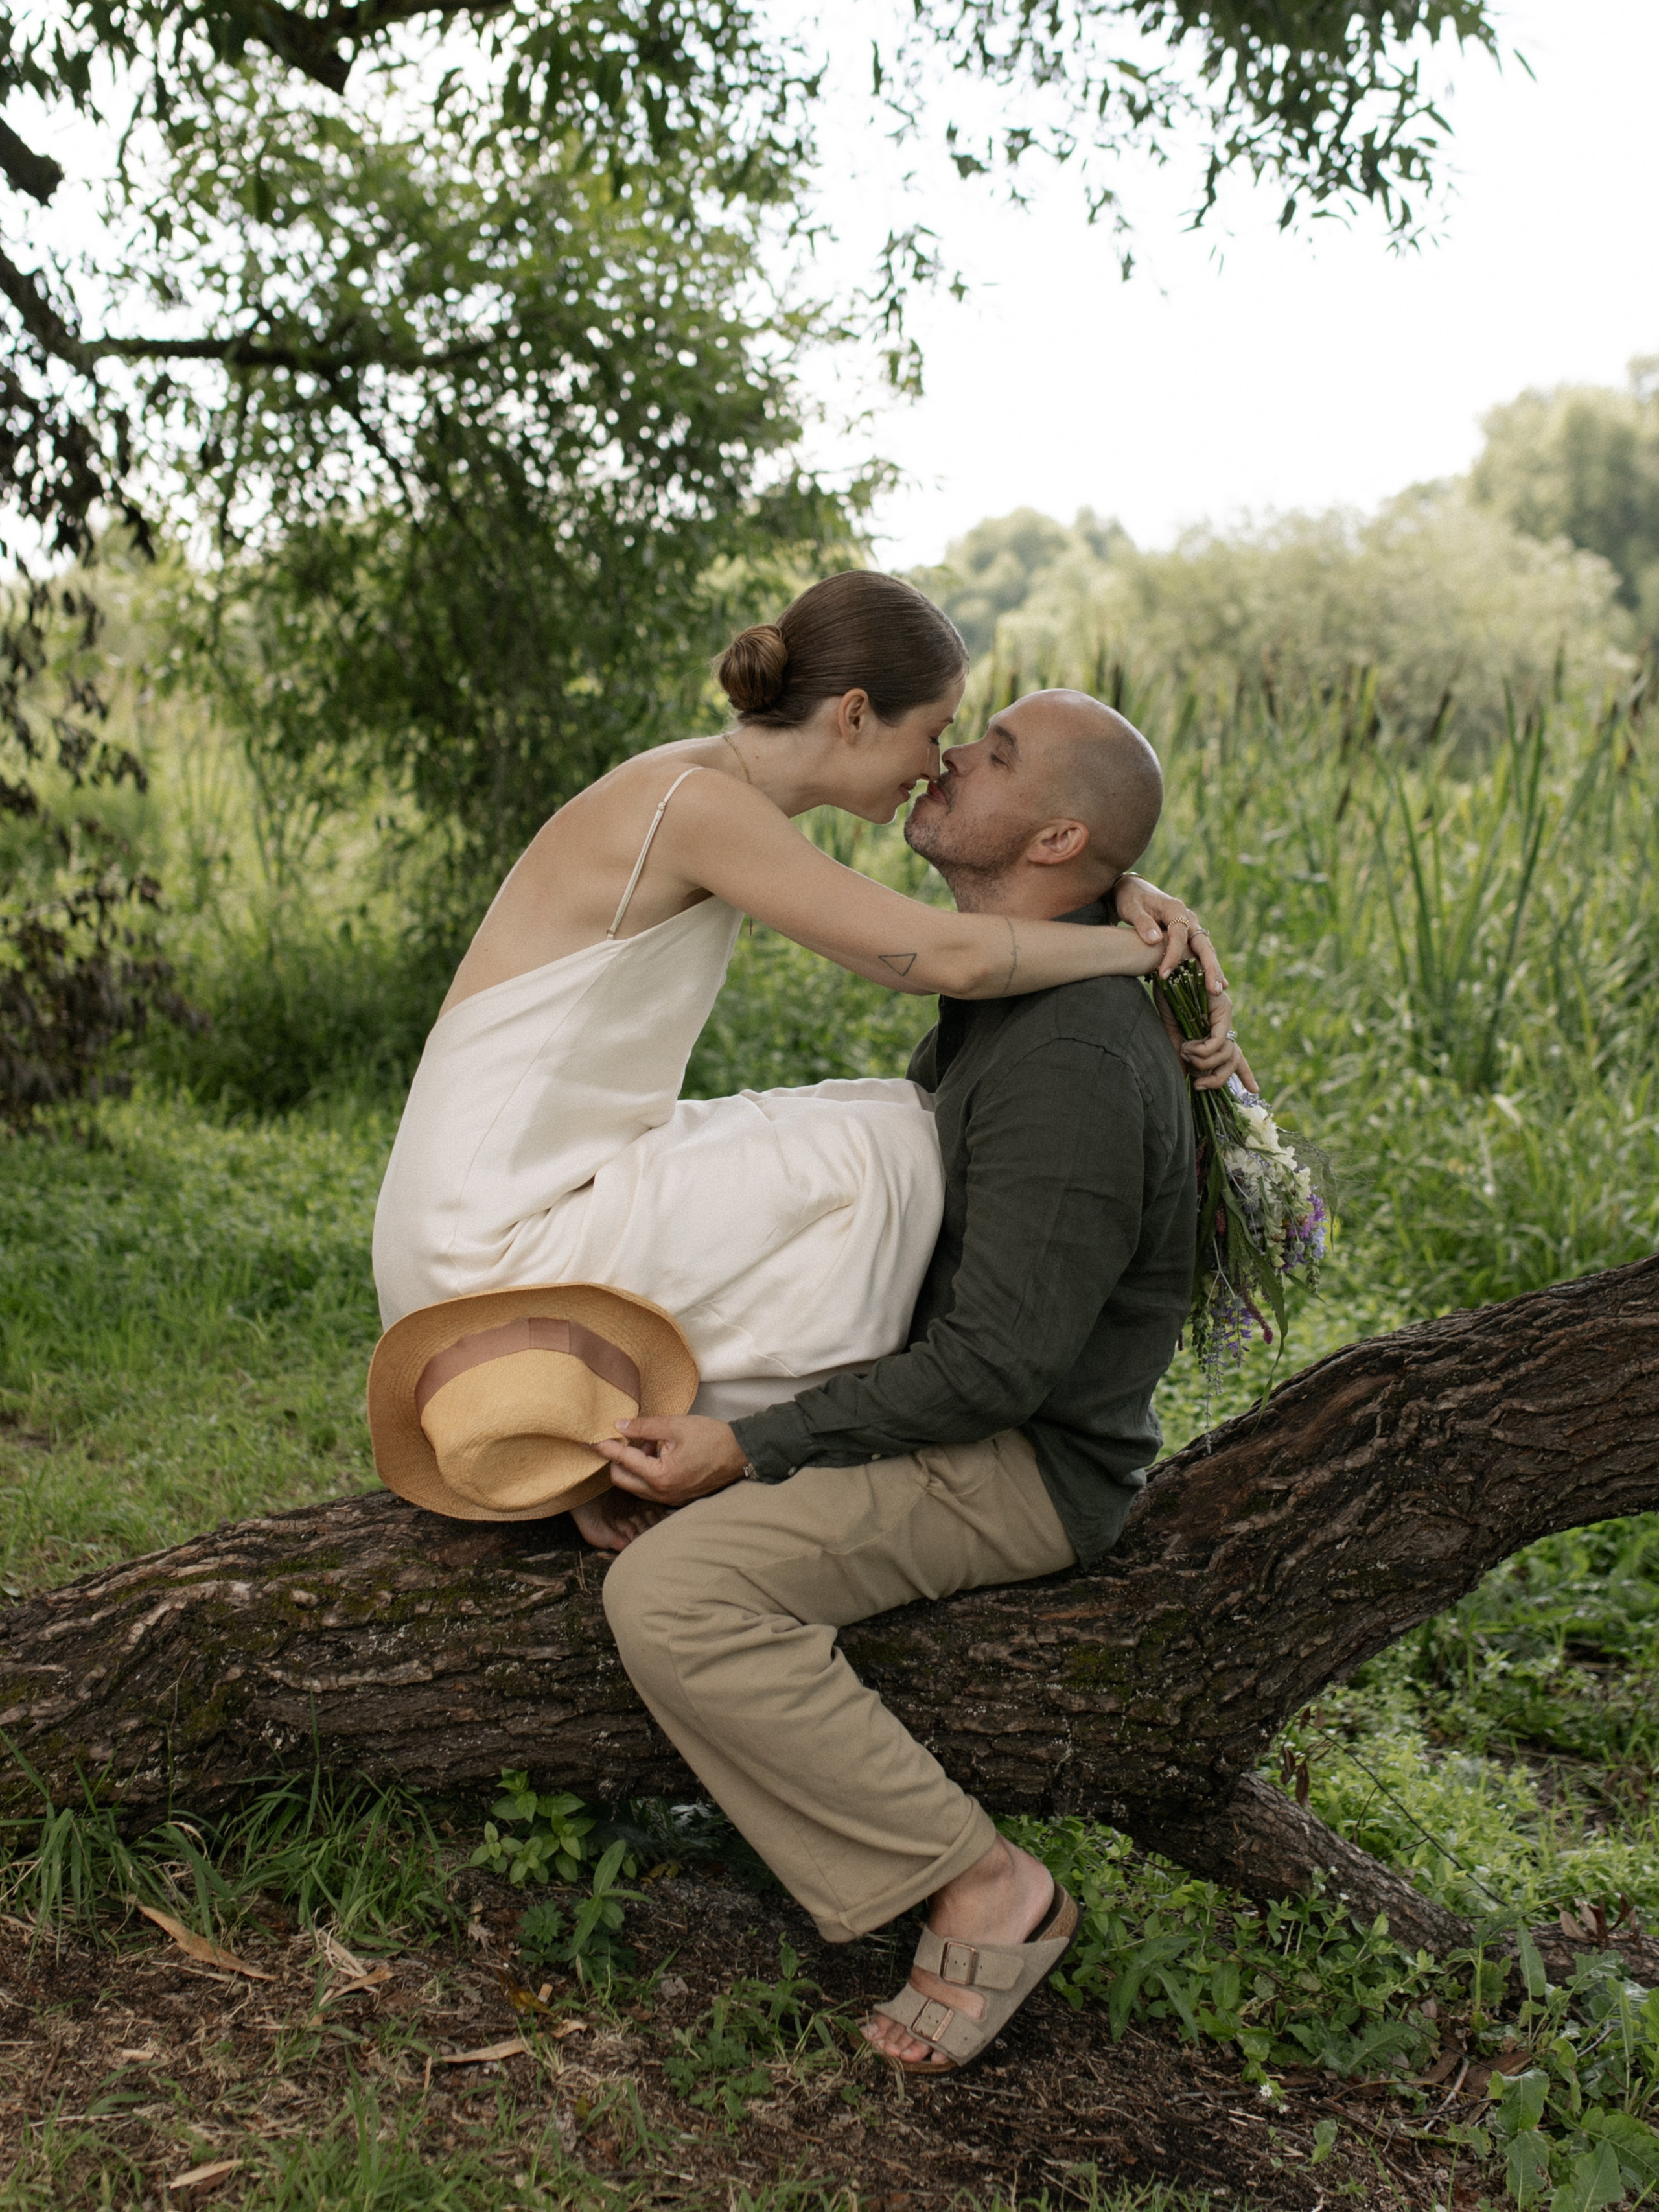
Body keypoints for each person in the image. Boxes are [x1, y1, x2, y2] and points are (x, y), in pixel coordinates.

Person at [593, 686, 1240, 2075]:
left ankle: (983, 1883)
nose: (948, 756)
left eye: (993, 753)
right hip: (943, 1387)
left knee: (675, 1595)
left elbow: (999, 1370)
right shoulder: (1019, 974)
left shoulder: (1072, 1056)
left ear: (1058, 837)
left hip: (1027, 1467)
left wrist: (749, 1449)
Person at [371, 572, 1236, 1557]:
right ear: (857, 715)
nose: (939, 763)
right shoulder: (698, 806)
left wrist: (1115, 878)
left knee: (856, 1122)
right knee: (895, 1153)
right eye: (935, 731)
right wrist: (1144, 946)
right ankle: (837, 1434)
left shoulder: (698, 785)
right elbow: (937, 957)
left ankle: (598, 1421)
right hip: (486, 1240)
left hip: (484, 1209)